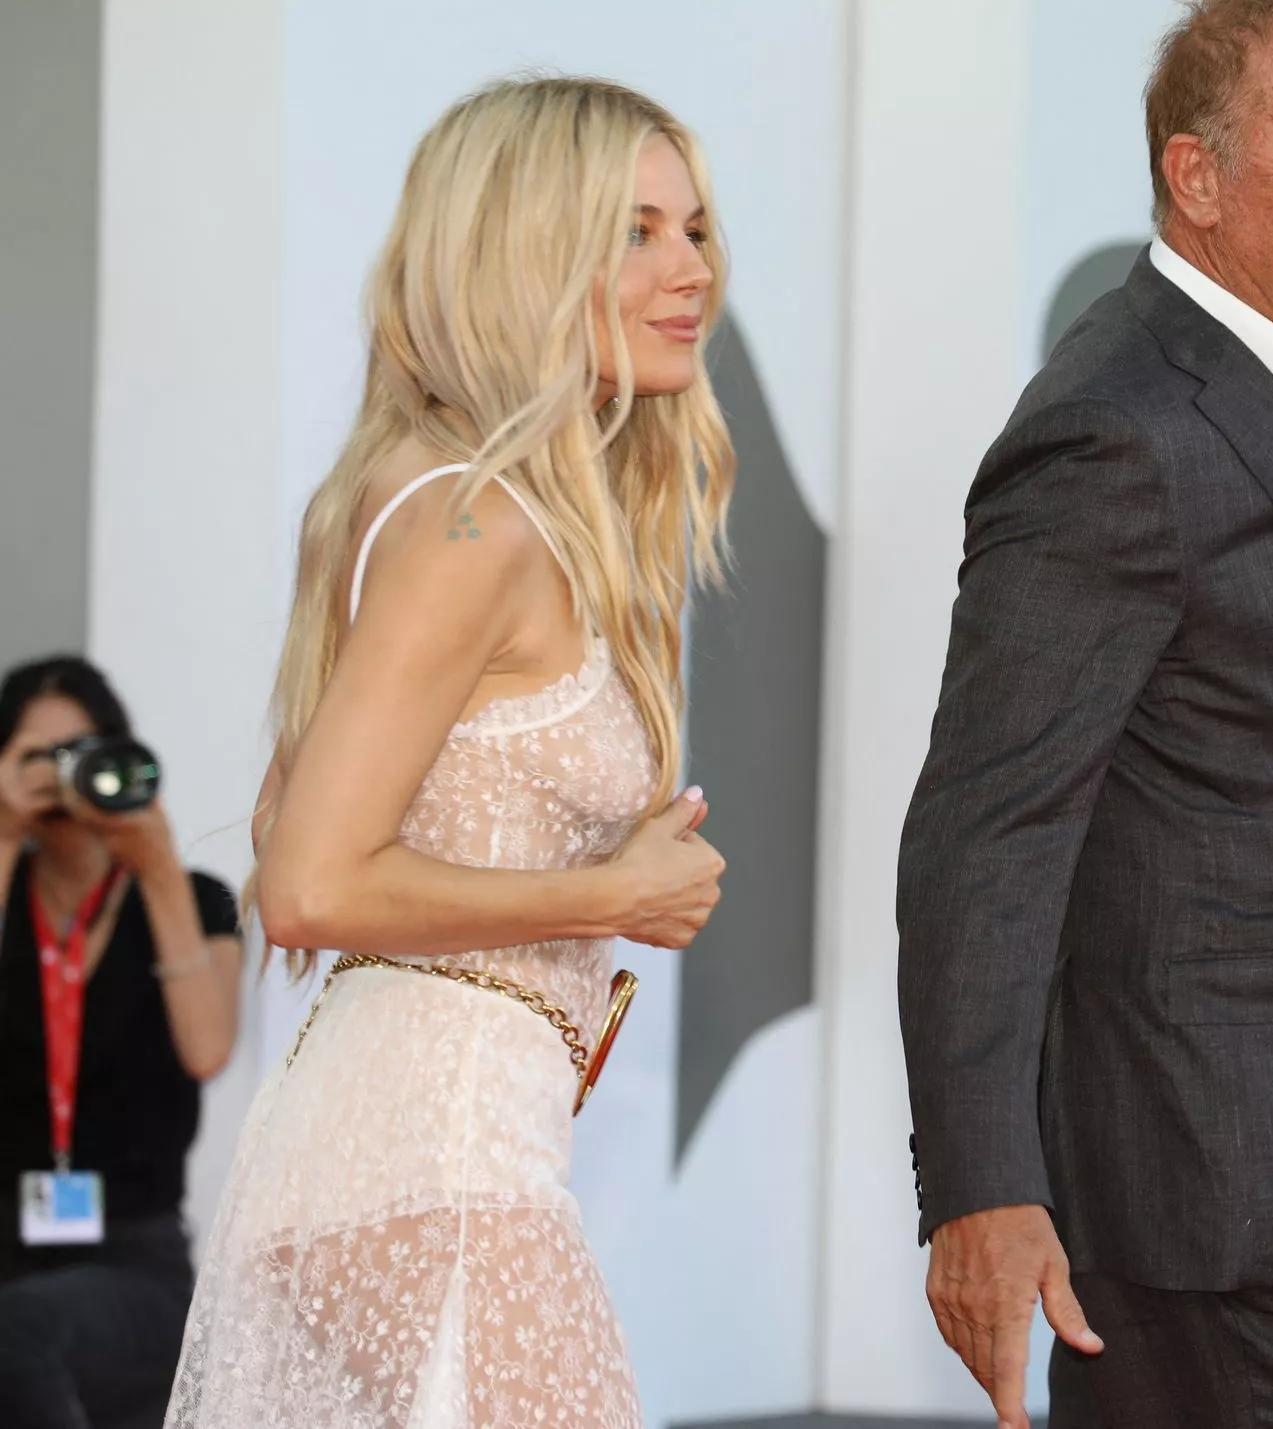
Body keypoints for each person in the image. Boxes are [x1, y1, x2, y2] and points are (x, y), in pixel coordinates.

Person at [897, 2, 1273, 1425]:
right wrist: (982, 1185)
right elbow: (987, 831)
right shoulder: (1121, 429)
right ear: (1197, 177)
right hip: (1227, 1194)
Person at [163, 76, 731, 1428]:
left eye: (696, 230)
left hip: (418, 1151)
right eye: (635, 231)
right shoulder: (476, 523)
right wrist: (609, 891)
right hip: (430, 1160)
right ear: (524, 251)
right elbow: (307, 882)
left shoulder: (450, 499)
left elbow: (298, 819)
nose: (690, 271)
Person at [0, 655, 244, 1428]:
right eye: (37, 757)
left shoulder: (195, 898)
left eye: (79, 754)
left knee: (15, 1330)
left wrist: (158, 866)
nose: (59, 777)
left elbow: (206, 1049)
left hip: (135, 1258)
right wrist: (2, 835)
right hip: (7, 1241)